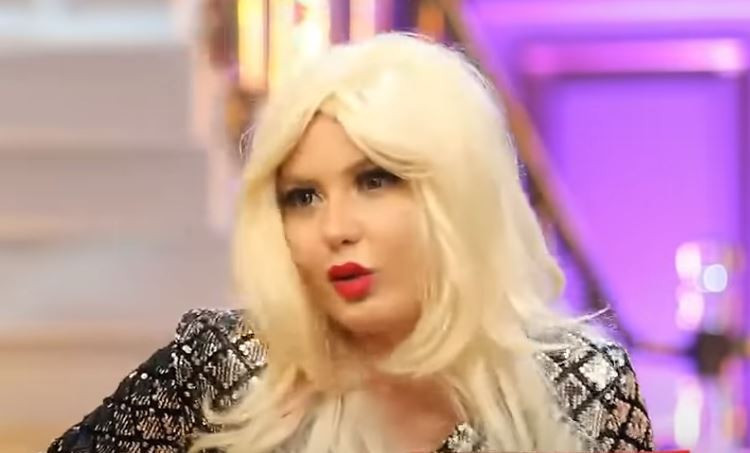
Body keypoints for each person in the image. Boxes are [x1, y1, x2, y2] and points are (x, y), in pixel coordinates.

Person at [47, 33, 654, 453]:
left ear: (457, 193)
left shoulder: (584, 386)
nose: (335, 227)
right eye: (303, 196)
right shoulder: (225, 367)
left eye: (374, 180)